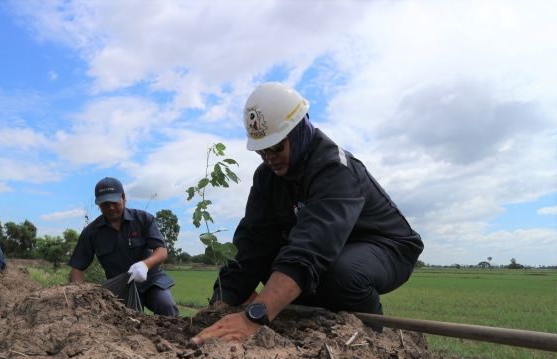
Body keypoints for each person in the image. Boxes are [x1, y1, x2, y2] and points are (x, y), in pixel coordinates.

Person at [192, 82, 424, 344]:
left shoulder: (333, 168)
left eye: (277, 147)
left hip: (384, 246)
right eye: (261, 151)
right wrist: (219, 304)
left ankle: (369, 339)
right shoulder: (267, 178)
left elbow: (311, 248)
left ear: (299, 130)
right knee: (278, 266)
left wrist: (254, 318)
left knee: (341, 273)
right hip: (330, 249)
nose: (269, 157)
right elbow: (252, 243)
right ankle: (316, 329)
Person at [69, 177, 178, 316]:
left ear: (124, 198)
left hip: (151, 281)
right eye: (105, 204)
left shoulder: (144, 219)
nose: (111, 207)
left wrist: (145, 265)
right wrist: (78, 295)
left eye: (114, 202)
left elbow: (161, 251)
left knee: (167, 306)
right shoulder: (91, 232)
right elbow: (77, 266)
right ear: (98, 205)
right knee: (125, 324)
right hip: (120, 288)